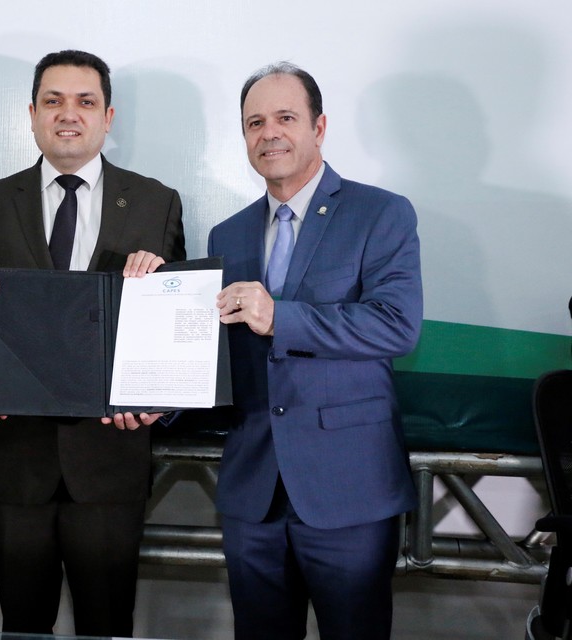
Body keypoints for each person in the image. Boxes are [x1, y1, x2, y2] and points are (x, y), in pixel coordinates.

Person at [0, 50, 186, 637]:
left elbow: (182, 327)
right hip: (17, 460)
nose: (68, 114)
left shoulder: (158, 203)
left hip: (110, 461)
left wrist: (164, 398)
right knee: (22, 627)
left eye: (85, 101)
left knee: (107, 626)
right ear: (32, 115)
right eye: (53, 101)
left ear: (109, 116)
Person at [208, 62, 422, 640]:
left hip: (347, 488)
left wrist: (280, 317)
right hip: (253, 490)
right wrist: (159, 401)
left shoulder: (381, 212)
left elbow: (397, 327)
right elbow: (222, 359)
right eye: (255, 122)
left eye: (285, 118)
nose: (269, 133)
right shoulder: (226, 236)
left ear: (319, 126)